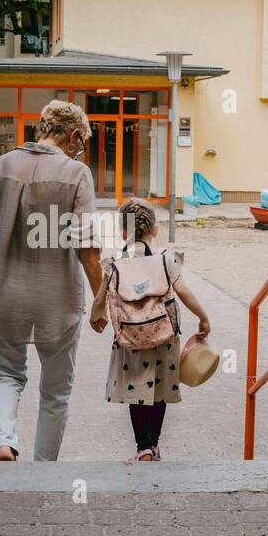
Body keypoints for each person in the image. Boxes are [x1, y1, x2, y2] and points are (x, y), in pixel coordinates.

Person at [0, 100, 103, 461]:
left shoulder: (4, 165)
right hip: (58, 297)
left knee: (6, 373)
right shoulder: (76, 173)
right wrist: (103, 302)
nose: (80, 149)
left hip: (3, 292)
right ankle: (44, 466)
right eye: (81, 142)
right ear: (71, 136)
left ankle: (5, 441)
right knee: (56, 391)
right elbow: (87, 248)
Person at [89, 197, 211, 462]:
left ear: (123, 232)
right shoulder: (166, 259)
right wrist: (203, 317)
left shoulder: (114, 265)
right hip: (163, 336)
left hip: (130, 339)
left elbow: (100, 299)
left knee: (136, 391)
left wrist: (94, 317)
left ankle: (142, 447)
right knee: (160, 391)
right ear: (154, 230)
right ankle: (154, 445)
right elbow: (183, 292)